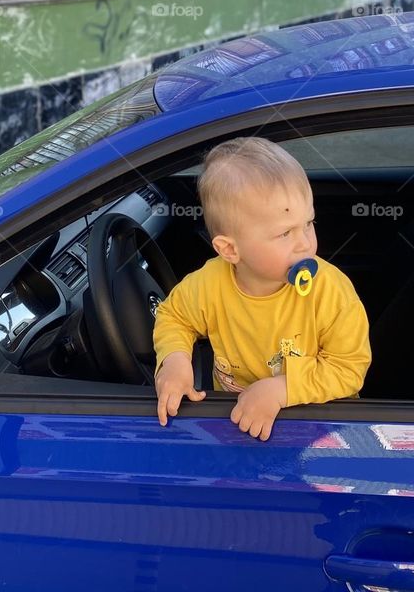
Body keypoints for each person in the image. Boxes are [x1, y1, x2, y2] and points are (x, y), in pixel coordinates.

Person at [153, 136, 371, 440]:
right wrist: (174, 360)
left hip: (318, 428)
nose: (306, 243)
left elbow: (349, 368)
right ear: (230, 250)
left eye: (308, 223)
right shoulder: (210, 283)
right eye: (285, 233)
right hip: (236, 420)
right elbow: (175, 316)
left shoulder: (331, 291)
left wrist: (283, 388)